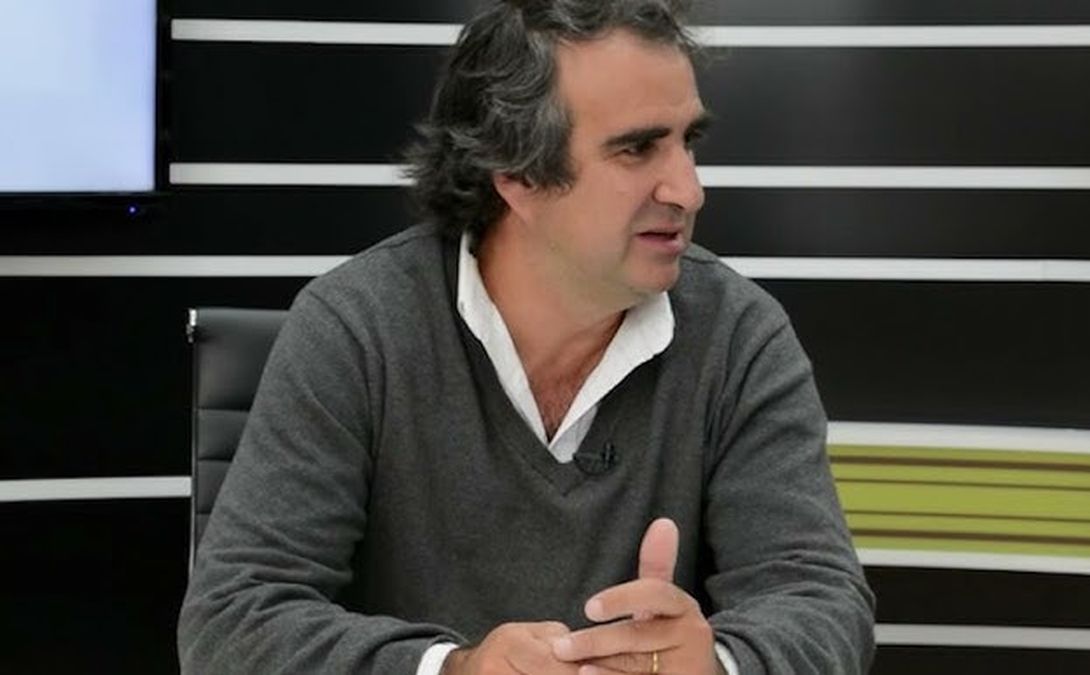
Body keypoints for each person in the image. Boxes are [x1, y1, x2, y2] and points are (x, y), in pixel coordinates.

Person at [177, 1, 876, 673]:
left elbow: (821, 602)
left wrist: (718, 665)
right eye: (637, 149)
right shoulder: (357, 328)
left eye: (686, 142)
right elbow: (232, 621)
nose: (688, 191)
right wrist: (451, 669)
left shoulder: (738, 335)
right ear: (516, 173)